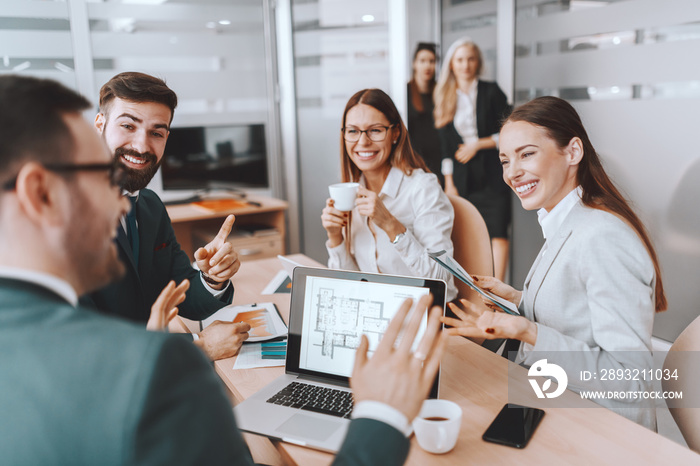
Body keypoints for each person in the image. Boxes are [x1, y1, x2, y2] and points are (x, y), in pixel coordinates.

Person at [0, 74, 447, 465]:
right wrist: (383, 415)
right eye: (98, 176)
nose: (121, 198)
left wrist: (209, 281)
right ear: (39, 193)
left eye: (157, 131)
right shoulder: (153, 371)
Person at [442, 96, 667, 430]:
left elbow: (631, 382)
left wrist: (527, 331)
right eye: (505, 160)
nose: (512, 173)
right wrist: (517, 300)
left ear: (573, 152)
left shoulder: (601, 236)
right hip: (553, 401)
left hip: (600, 430)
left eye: (527, 154)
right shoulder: (567, 222)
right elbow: (577, 310)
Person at [82, 72, 249, 360]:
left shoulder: (150, 206)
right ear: (100, 125)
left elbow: (183, 297)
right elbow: (80, 346)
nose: (141, 146)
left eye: (156, 133)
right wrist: (199, 346)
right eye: (127, 126)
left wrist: (212, 278)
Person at [322, 88, 457, 301]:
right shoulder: (353, 192)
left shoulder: (423, 188)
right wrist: (335, 237)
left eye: (375, 130)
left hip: (422, 317)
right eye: (353, 131)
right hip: (375, 316)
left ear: (395, 133)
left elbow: (442, 282)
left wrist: (392, 226)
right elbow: (350, 285)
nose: (363, 141)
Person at [433, 38, 511, 282]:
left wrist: (477, 144)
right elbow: (445, 148)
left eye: (470, 58)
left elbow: (509, 131)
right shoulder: (444, 95)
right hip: (462, 176)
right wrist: (449, 182)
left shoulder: (491, 91)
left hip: (492, 172)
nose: (465, 64)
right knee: (467, 236)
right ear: (452, 65)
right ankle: (473, 291)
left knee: (498, 232)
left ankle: (497, 294)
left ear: (477, 62)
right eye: (460, 59)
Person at [407, 42, 443, 186]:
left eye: (431, 61)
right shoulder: (405, 93)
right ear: (414, 64)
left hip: (439, 160)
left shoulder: (441, 92)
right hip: (415, 161)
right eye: (422, 61)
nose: (427, 66)